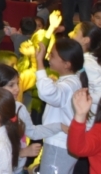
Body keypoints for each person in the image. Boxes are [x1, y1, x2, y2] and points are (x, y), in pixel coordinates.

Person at [35, 37, 85, 173]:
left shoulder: (69, 85)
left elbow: (47, 92)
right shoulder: (71, 82)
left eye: (52, 55)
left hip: (59, 144)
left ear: (67, 64)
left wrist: (39, 62)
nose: (48, 57)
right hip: (62, 143)